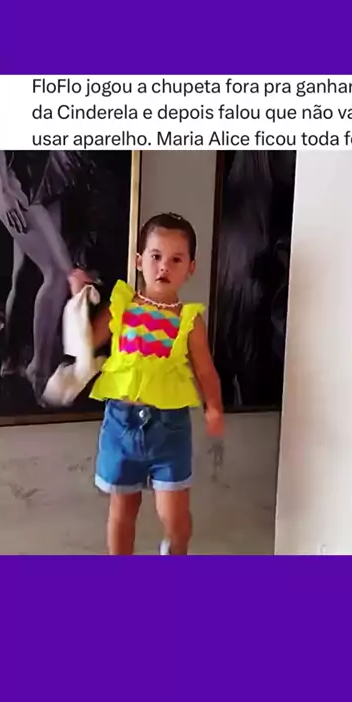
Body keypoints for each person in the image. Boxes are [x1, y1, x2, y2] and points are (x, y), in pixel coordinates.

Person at [71, 212, 224, 555]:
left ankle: (174, 553)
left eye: (176, 259)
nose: (164, 266)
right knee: (123, 510)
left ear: (190, 268)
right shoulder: (122, 307)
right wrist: (78, 298)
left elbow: (205, 371)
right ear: (140, 261)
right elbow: (87, 340)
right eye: (156, 256)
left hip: (169, 429)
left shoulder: (189, 320)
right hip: (121, 425)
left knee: (175, 517)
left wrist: (214, 407)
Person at [0, 150, 91, 401]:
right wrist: (3, 186)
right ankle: (39, 371)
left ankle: (12, 359)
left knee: (25, 271)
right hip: (18, 183)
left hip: (43, 179)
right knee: (57, 274)